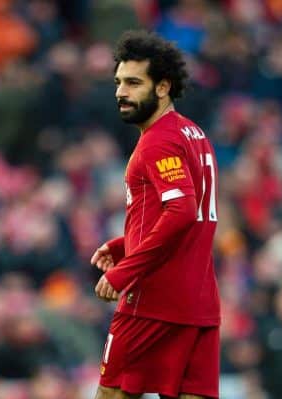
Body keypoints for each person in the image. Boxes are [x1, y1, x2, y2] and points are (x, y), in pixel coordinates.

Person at [91, 30, 220, 399]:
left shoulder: (158, 141)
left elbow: (180, 210)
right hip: (199, 302)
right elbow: (188, 212)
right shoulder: (193, 133)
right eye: (118, 82)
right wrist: (123, 243)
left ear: (163, 87)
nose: (120, 92)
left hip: (152, 300)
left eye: (133, 83)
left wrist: (125, 271)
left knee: (112, 394)